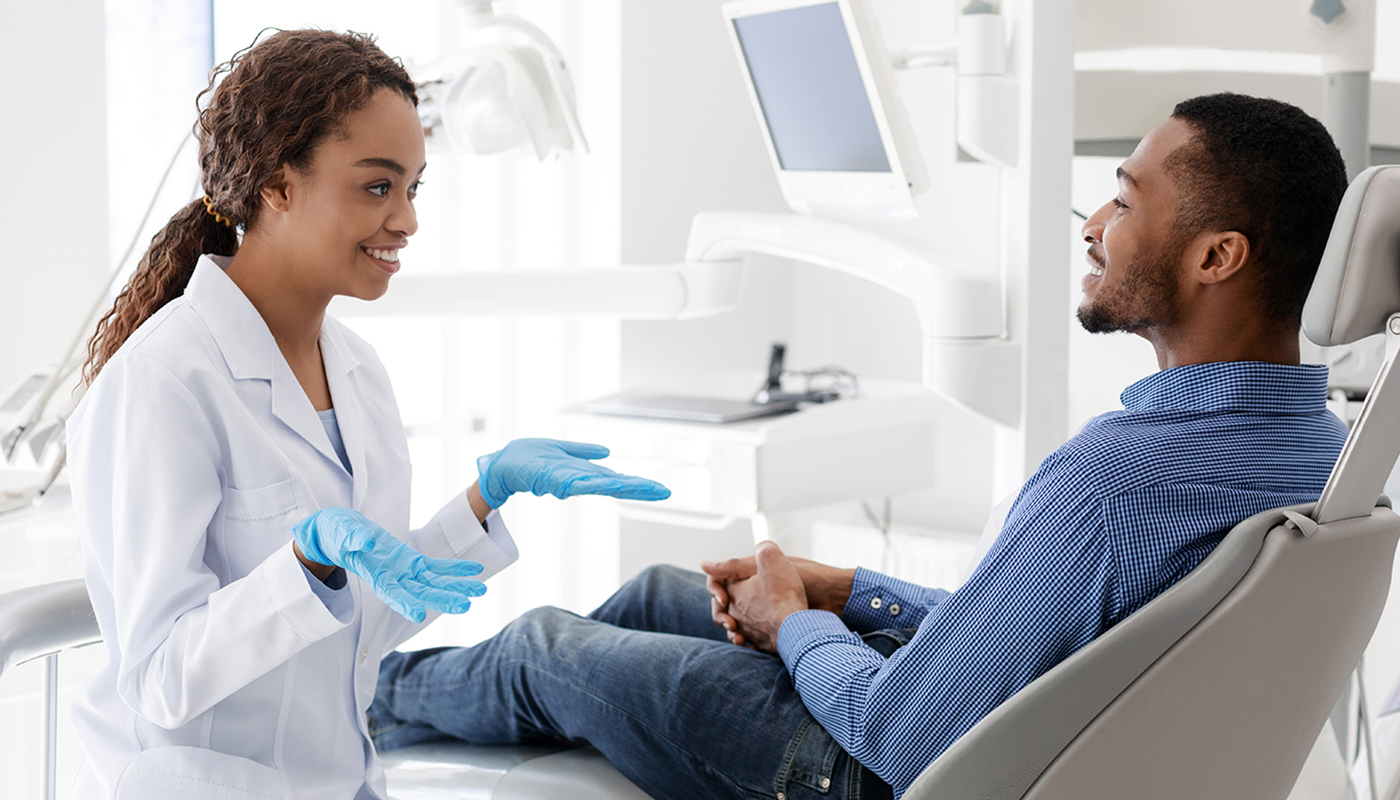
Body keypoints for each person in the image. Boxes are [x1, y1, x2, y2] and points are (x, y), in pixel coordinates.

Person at [368, 92, 1353, 800]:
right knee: (663, 594)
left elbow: (899, 731)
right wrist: (842, 589)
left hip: (864, 770)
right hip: (1044, 735)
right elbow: (1031, 627)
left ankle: (348, 695)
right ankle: (492, 712)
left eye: (1125, 200)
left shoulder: (1113, 477)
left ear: (1216, 255)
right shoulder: (1318, 448)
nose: (1093, 224)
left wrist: (795, 620)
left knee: (545, 644)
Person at [64, 30, 668, 800]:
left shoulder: (358, 373)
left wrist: (485, 500)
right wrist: (307, 564)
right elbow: (158, 677)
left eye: (414, 188)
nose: (408, 220)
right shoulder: (162, 382)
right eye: (378, 187)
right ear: (278, 185)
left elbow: (360, 630)